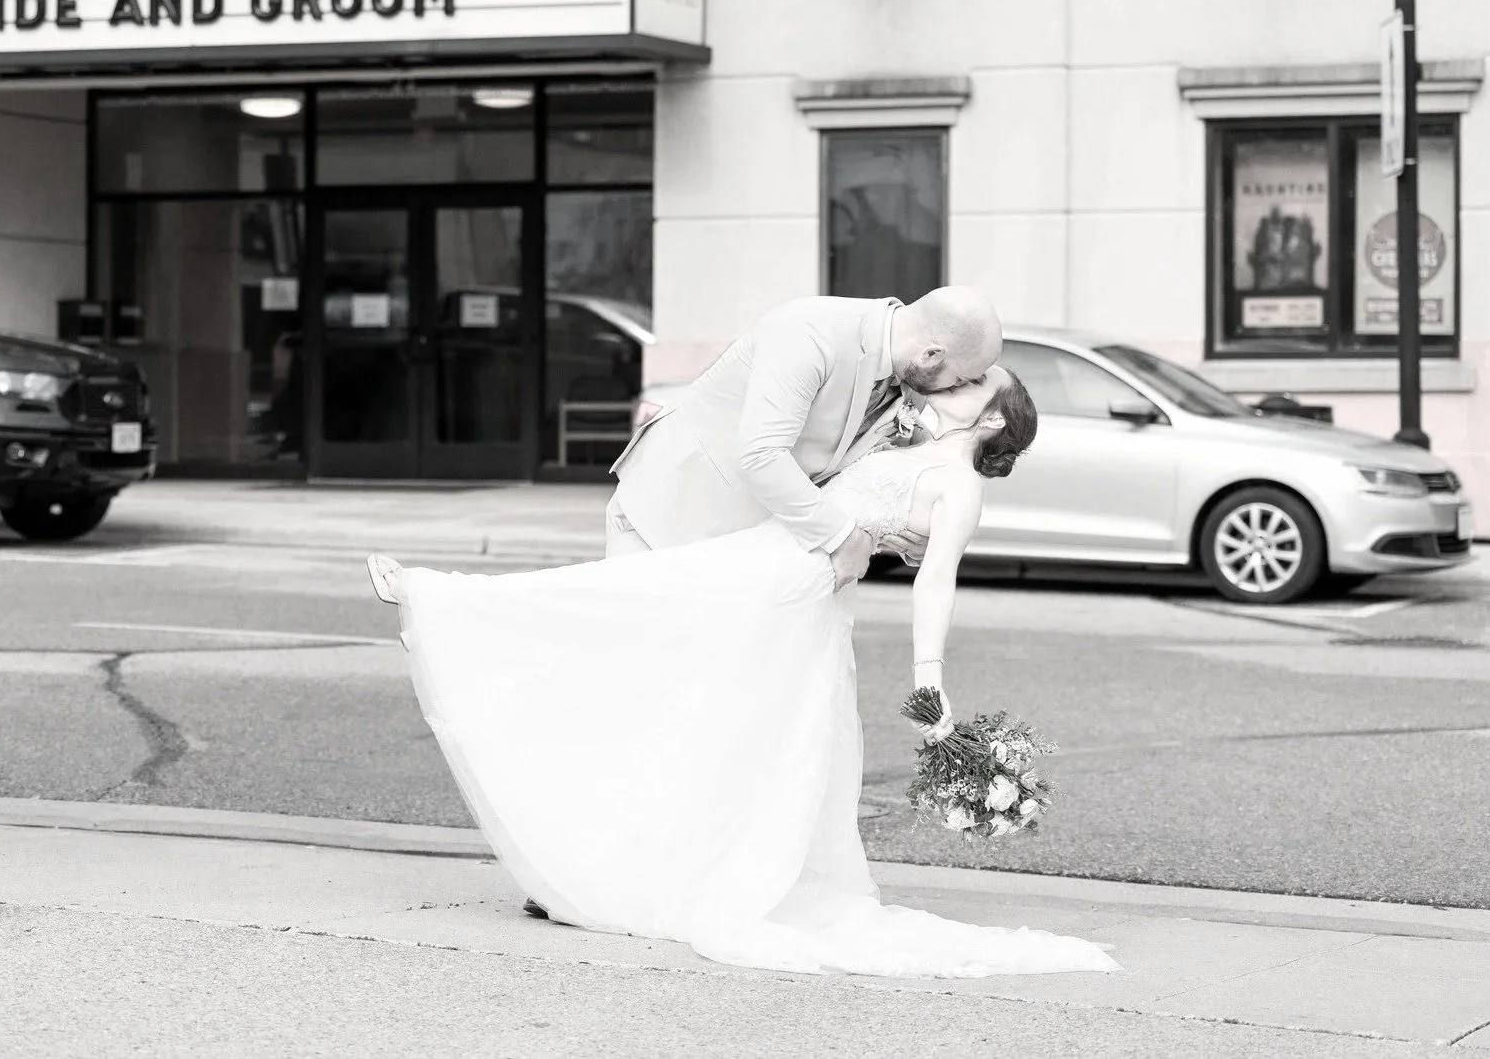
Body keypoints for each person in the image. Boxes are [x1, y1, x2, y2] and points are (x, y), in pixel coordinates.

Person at [365, 367, 1119, 978]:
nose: (953, 384)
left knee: (632, 614)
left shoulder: (961, 486)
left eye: (973, 386)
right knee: (658, 653)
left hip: (785, 592)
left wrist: (930, 675)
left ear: (992, 419)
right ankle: (451, 612)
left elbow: (937, 577)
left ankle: (442, 604)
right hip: (764, 564)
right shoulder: (905, 441)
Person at [606, 286, 1003, 585]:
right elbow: (762, 456)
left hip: (750, 542)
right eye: (960, 378)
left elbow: (843, 471)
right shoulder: (809, 332)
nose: (952, 390)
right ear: (932, 355)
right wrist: (843, 538)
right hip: (666, 519)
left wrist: (896, 534)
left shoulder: (911, 375)